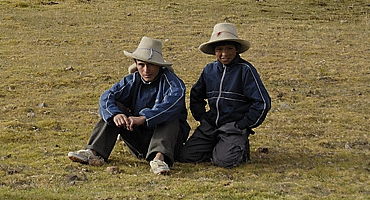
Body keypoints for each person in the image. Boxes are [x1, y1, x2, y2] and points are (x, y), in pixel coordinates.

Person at [67, 37, 189, 175]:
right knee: (116, 107)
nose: (146, 70)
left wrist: (143, 118)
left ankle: (160, 159)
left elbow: (172, 104)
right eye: (141, 65)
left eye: (151, 65)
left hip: (169, 144)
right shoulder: (132, 80)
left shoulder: (174, 83)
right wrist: (115, 115)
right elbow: (106, 97)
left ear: (159, 66)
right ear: (136, 64)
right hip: (138, 140)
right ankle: (93, 151)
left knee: (170, 116)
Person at [180, 23, 270, 168]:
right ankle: (221, 146)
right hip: (211, 126)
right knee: (186, 156)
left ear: (236, 49)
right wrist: (203, 117)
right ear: (214, 51)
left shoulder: (245, 70)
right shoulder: (209, 70)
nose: (224, 54)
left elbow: (262, 103)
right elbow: (196, 95)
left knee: (223, 162)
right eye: (219, 49)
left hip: (233, 127)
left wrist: (243, 124)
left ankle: (237, 146)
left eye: (229, 48)